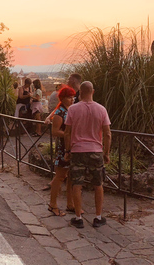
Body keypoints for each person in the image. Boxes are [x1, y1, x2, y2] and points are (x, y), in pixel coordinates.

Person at [65, 81, 111, 229]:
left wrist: (67, 151)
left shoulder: (73, 109)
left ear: (80, 93)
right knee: (98, 185)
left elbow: (67, 132)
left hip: (77, 150)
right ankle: (98, 217)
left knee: (77, 184)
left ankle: (78, 218)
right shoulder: (101, 109)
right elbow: (107, 134)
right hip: (96, 151)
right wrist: (106, 153)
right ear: (93, 91)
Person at [48, 86, 76, 217]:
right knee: (60, 176)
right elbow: (55, 131)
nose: (72, 99)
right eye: (69, 97)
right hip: (63, 148)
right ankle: (52, 204)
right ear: (63, 98)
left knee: (70, 176)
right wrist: (68, 134)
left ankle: (70, 203)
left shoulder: (68, 110)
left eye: (73, 97)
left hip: (70, 146)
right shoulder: (59, 112)